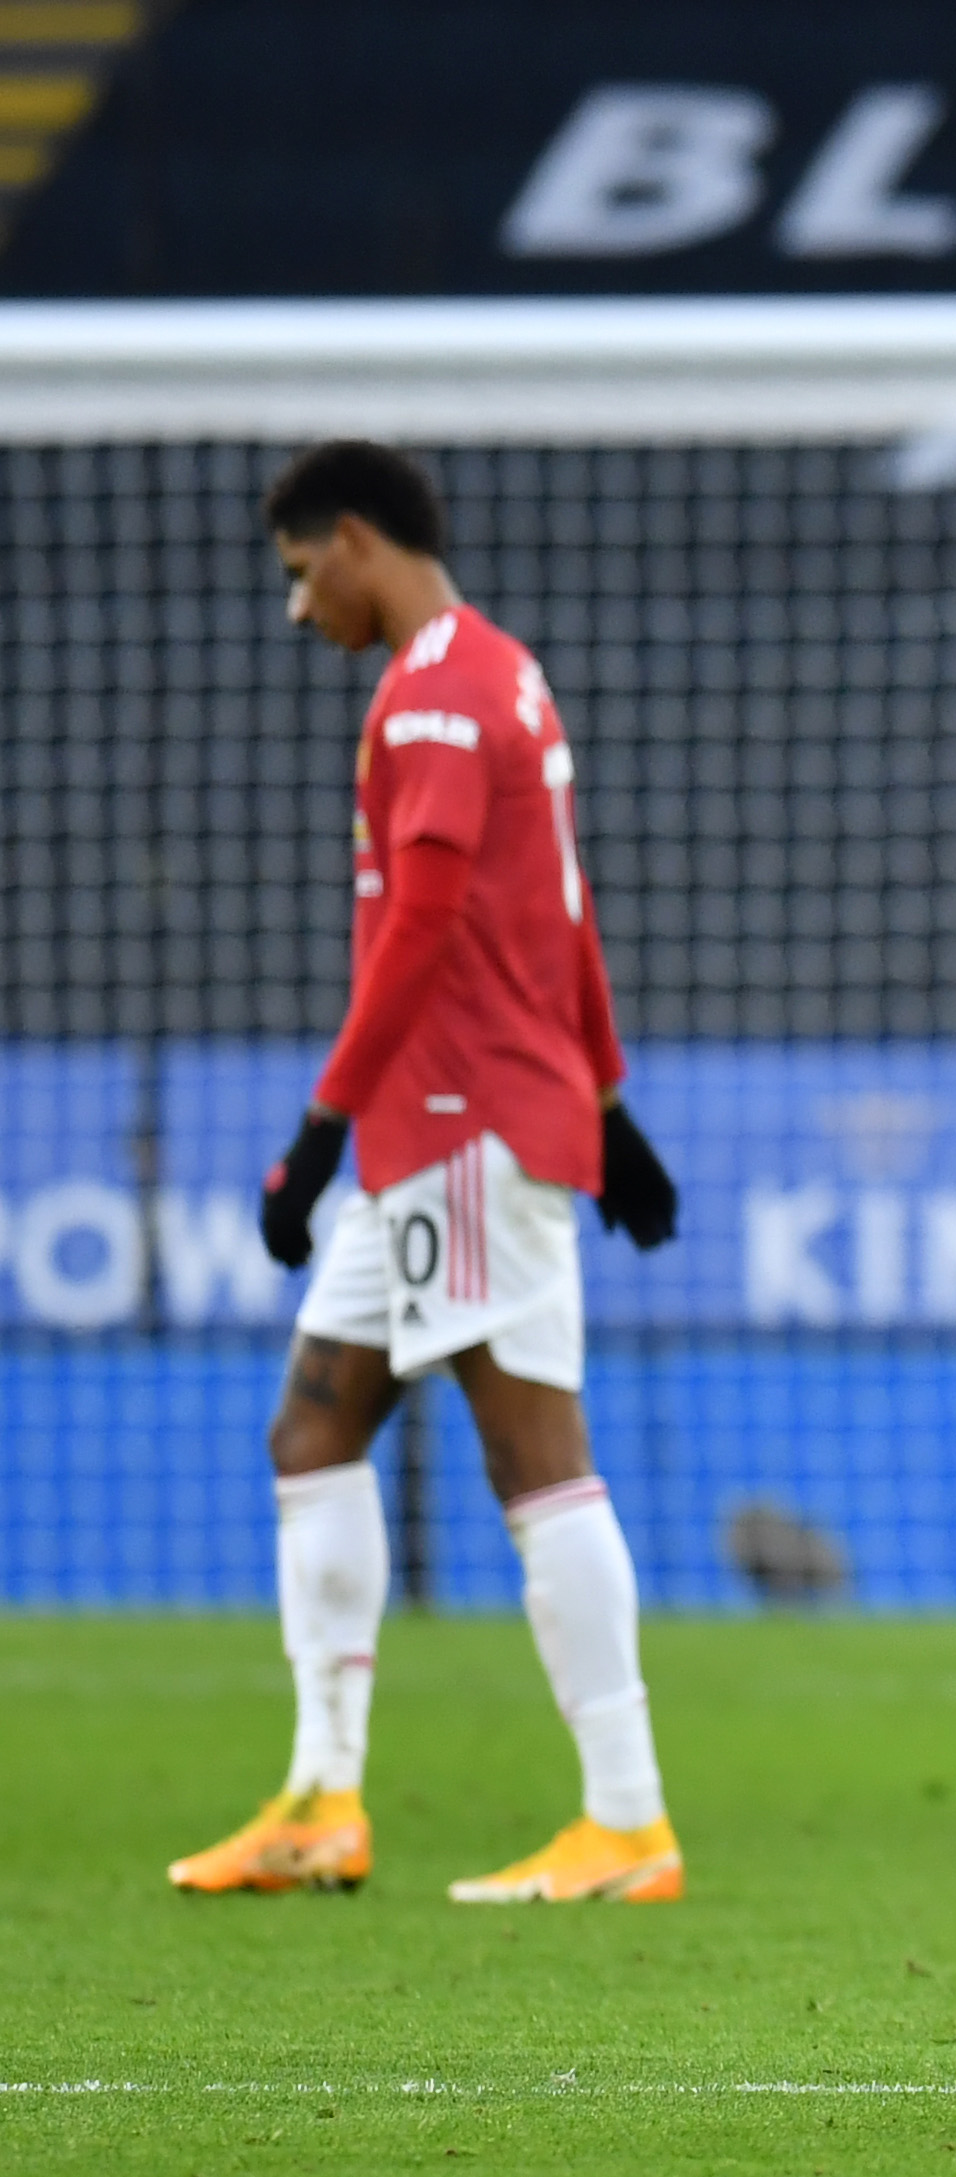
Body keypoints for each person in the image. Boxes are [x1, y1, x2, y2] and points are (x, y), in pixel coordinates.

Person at [167, 441, 687, 1905]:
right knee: (312, 1430)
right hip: (450, 1129)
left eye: (296, 575)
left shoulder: (443, 695)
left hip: (452, 1123)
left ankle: (629, 1819)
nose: (296, 609)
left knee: (537, 1460)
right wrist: (609, 1099)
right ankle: (324, 1797)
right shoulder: (504, 671)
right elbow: (566, 917)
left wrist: (319, 1126)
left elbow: (432, 925)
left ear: (353, 539)